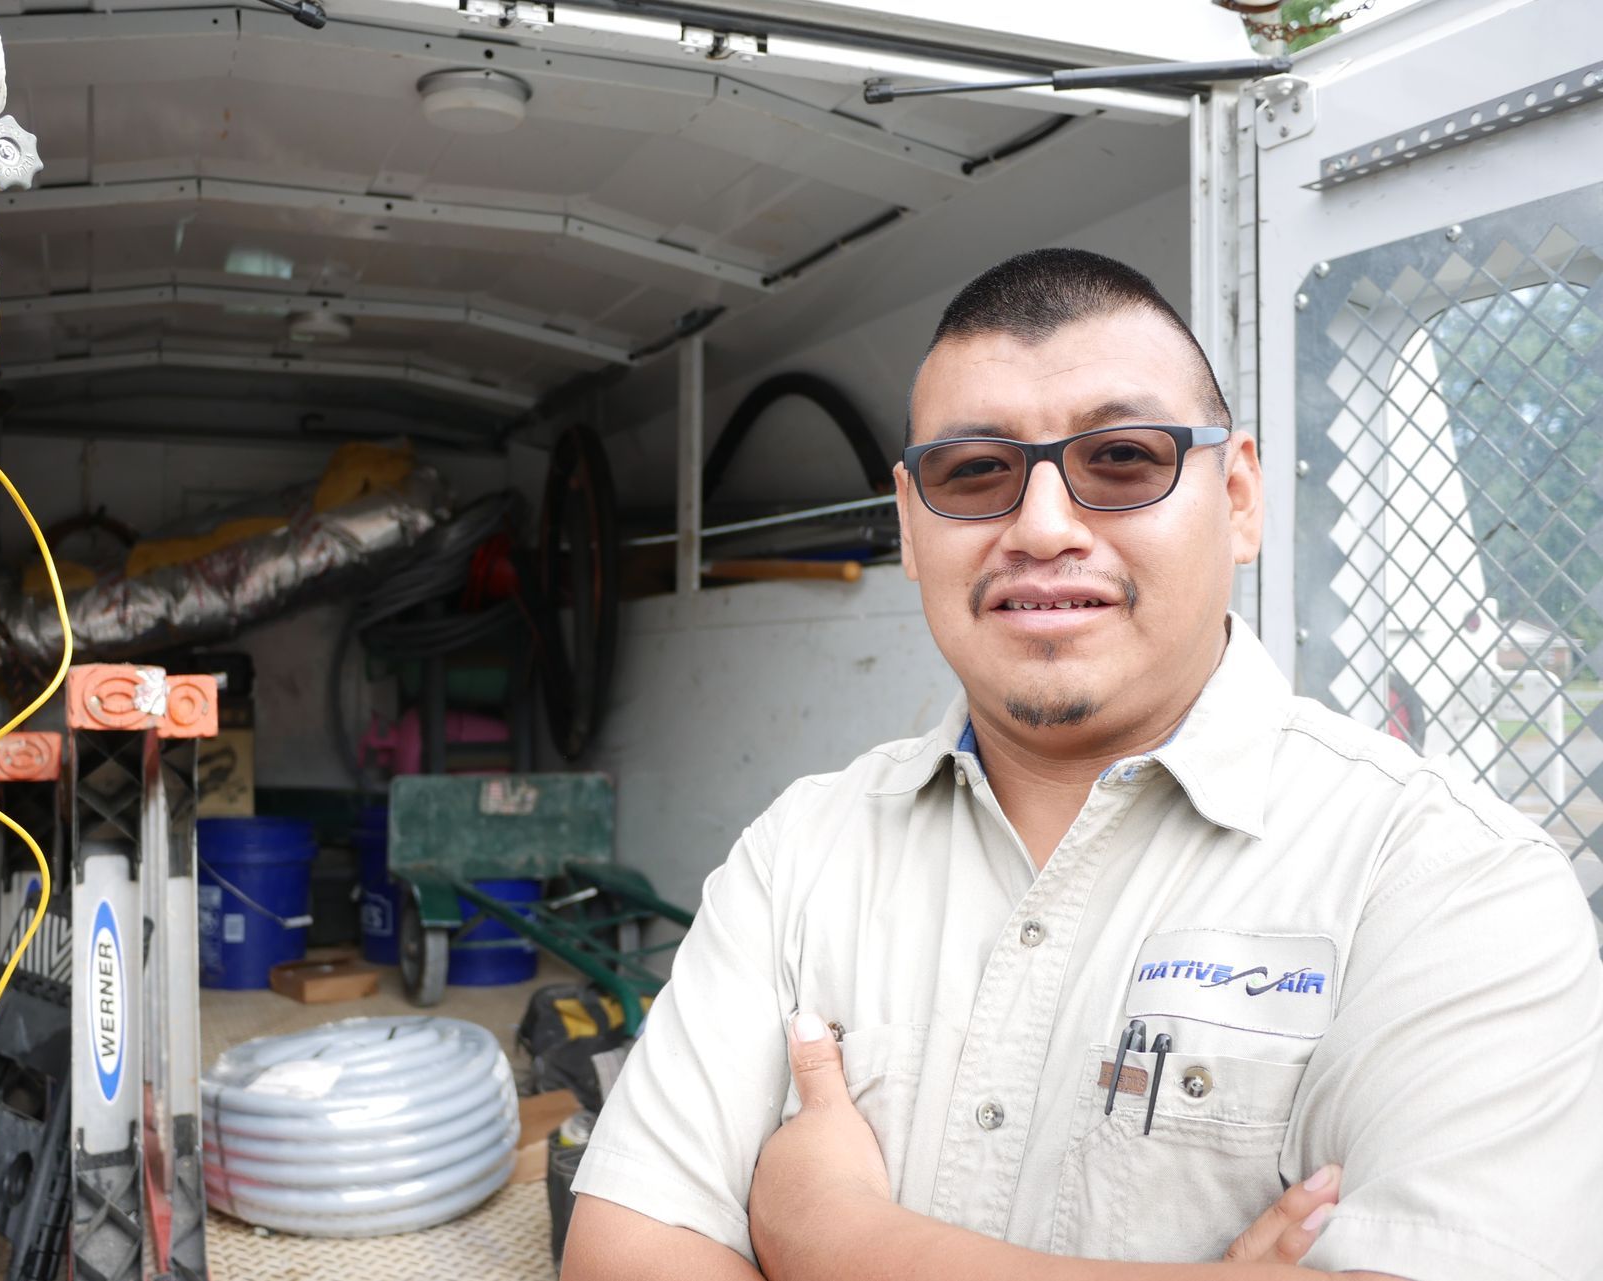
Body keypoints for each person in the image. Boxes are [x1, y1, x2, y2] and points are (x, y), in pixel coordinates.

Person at [560, 248, 1603, 1281]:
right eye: (974, 473)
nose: (1044, 527)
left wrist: (838, 1239)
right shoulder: (799, 853)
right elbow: (623, 1257)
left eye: (1124, 459)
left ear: (1239, 497)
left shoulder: (1445, 881)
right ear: (911, 528)